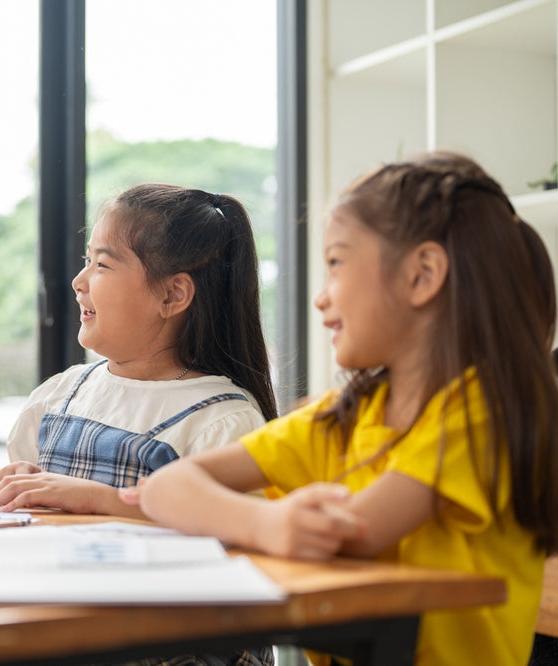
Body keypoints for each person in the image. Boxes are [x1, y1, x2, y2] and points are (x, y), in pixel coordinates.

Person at [123, 152, 558, 666]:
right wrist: (267, 525)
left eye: (336, 264)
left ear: (422, 275)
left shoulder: (480, 410)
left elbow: (354, 537)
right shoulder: (343, 414)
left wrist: (251, 520)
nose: (320, 298)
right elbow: (169, 486)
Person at [0, 183, 278, 521]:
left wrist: (100, 499)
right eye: (87, 259)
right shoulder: (58, 394)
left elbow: (236, 528)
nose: (78, 281)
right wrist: (25, 481)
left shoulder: (222, 422)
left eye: (102, 266)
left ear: (171, 295)